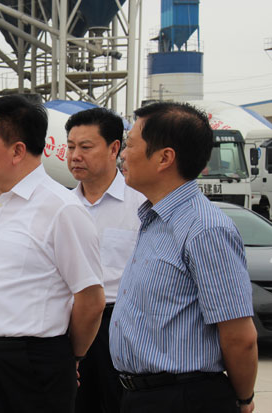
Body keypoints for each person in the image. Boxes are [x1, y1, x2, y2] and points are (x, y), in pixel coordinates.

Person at [0, 95, 106, 413]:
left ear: (18, 150)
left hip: (26, 369)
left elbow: (91, 299)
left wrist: (69, 356)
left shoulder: (61, 209)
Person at [110, 101, 258, 413]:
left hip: (184, 398)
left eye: (130, 144)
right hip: (139, 396)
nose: (122, 154)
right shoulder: (155, 220)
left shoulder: (205, 228)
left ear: (164, 158)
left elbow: (239, 336)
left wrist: (244, 400)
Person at [65, 108, 146, 413]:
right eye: (71, 147)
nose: (75, 156)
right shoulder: (61, 206)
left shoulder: (141, 205)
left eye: (85, 147)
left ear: (114, 149)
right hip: (70, 323)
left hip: (120, 325)